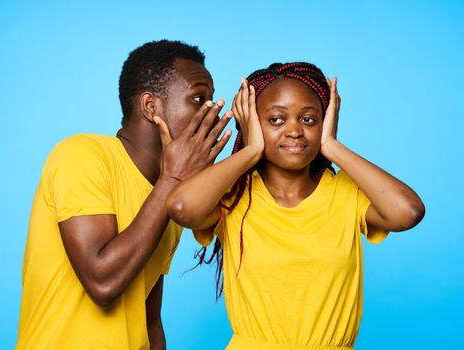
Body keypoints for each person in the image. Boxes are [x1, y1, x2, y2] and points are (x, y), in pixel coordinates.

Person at [166, 62, 425, 349]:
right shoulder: (234, 196)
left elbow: (408, 212)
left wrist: (332, 146)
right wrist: (251, 150)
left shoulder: (345, 193)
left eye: (309, 120)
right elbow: (181, 207)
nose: (294, 131)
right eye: (276, 120)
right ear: (252, 123)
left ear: (326, 121)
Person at [16, 40, 233, 350]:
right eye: (199, 99)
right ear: (150, 106)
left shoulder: (169, 194)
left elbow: (149, 318)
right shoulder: (81, 155)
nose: (211, 111)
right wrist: (172, 178)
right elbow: (102, 283)